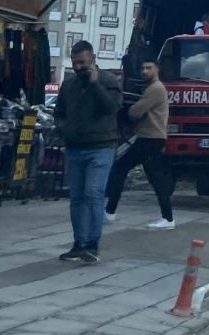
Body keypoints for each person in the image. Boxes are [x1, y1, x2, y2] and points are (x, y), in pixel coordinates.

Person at [53, 40, 122, 263]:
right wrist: (64, 129)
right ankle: (79, 243)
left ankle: (92, 244)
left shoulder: (109, 81)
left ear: (93, 58)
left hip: (101, 146)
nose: (79, 67)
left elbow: (111, 108)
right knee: (77, 197)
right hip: (75, 147)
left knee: (93, 192)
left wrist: (94, 85)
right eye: (75, 63)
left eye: (83, 62)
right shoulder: (69, 84)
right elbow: (59, 112)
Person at [105, 54, 175, 229]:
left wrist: (128, 112)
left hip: (150, 138)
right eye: (143, 68)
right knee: (155, 177)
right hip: (150, 137)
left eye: (148, 68)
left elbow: (135, 112)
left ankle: (110, 211)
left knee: (120, 168)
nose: (144, 71)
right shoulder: (152, 88)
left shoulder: (155, 89)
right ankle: (167, 217)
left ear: (157, 69)